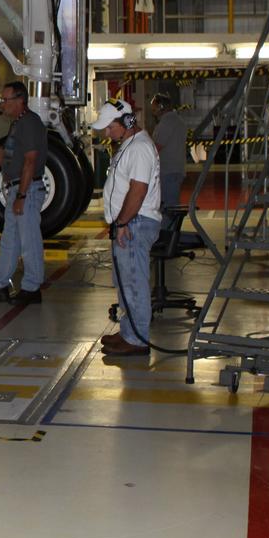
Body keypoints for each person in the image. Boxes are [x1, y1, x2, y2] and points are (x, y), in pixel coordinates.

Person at [92, 99, 162, 357]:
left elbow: (138, 190)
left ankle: (137, 339)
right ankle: (129, 331)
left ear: (128, 122)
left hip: (135, 223)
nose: (107, 133)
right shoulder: (130, 145)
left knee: (133, 282)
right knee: (124, 282)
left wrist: (122, 222)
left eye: (110, 128)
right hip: (129, 222)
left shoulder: (140, 148)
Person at [0, 81, 48, 305]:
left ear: (19, 100)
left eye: (5, 100)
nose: (2, 104)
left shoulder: (30, 123)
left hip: (27, 190)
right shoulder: (18, 124)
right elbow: (4, 151)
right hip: (16, 189)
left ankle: (32, 289)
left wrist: (22, 196)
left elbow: (30, 161)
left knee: (29, 241)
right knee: (10, 240)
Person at [151, 92, 187, 210]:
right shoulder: (176, 120)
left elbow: (157, 147)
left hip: (168, 172)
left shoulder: (167, 122)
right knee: (170, 205)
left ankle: (169, 228)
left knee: (168, 208)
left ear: (161, 107)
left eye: (155, 107)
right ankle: (170, 227)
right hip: (174, 170)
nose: (153, 111)